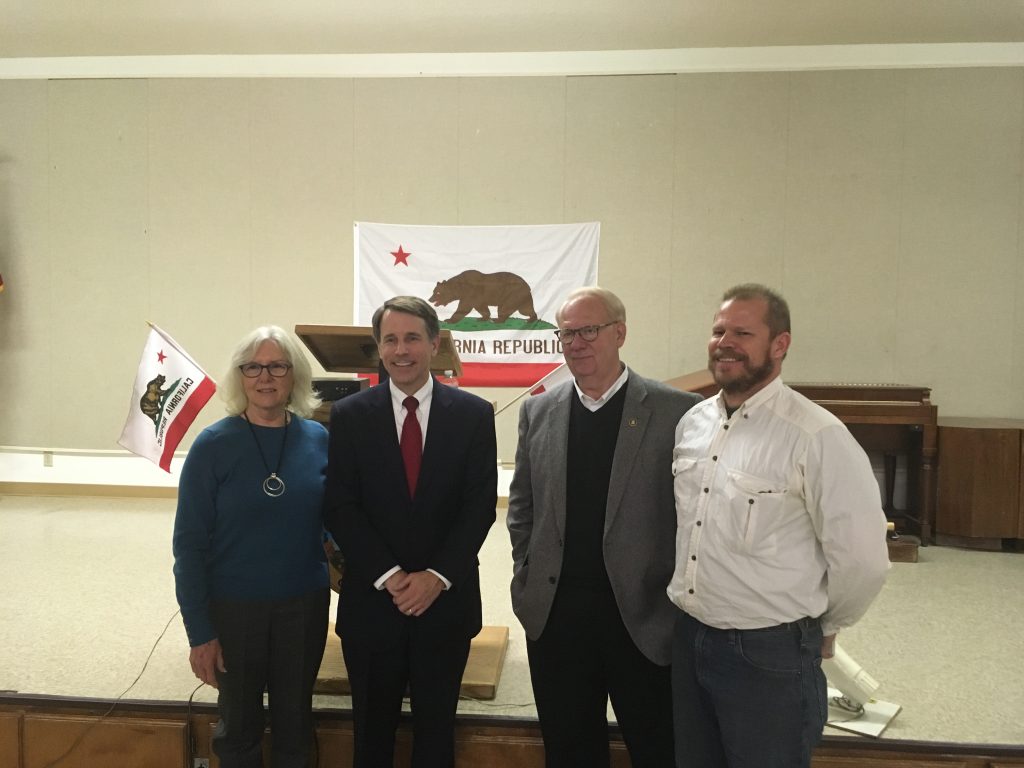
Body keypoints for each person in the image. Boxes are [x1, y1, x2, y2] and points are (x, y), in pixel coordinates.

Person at [667, 283, 890, 768]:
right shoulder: (693, 423)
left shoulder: (817, 436)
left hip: (768, 655)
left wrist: (826, 626)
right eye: (718, 331)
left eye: (743, 333)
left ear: (779, 344)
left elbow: (864, 560)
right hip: (689, 638)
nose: (725, 343)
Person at [506, 286, 701, 768]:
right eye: (566, 333)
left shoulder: (675, 411)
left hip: (642, 615)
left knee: (658, 749)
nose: (576, 343)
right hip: (557, 617)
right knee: (569, 750)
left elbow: (693, 514)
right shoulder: (538, 410)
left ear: (620, 333)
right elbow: (523, 505)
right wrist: (525, 573)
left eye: (589, 330)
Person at [324, 296, 497, 768]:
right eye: (391, 340)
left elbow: (479, 507)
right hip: (373, 604)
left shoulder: (473, 415)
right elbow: (341, 505)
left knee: (436, 739)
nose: (402, 350)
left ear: (435, 344)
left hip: (445, 607)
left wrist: (435, 577)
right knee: (371, 740)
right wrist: (392, 576)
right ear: (379, 347)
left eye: (413, 338)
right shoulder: (350, 416)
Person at [173, 325, 330, 768]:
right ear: (239, 376)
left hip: (304, 607)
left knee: (295, 726)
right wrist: (200, 632)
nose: (265, 377)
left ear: (294, 375)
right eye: (253, 367)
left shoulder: (319, 440)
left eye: (277, 366)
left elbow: (337, 521)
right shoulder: (212, 446)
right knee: (239, 730)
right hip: (234, 611)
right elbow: (188, 547)